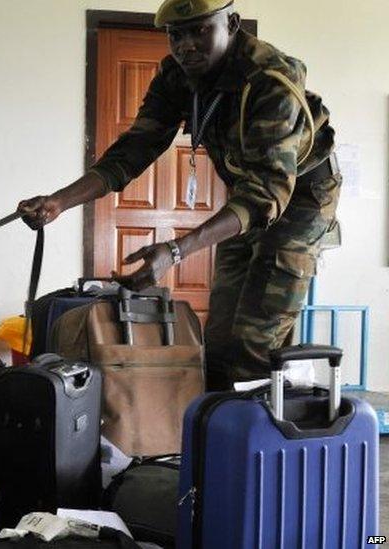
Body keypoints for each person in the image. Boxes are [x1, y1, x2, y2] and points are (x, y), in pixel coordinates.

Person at [17, 0, 341, 390]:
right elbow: (133, 150)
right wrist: (58, 203)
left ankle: (260, 445)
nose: (186, 45)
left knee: (254, 342)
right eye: (176, 34)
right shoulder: (177, 77)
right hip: (245, 198)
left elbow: (267, 194)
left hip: (301, 199)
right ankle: (215, 438)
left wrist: (175, 251)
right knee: (219, 344)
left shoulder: (269, 80)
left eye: (200, 30)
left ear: (232, 23)